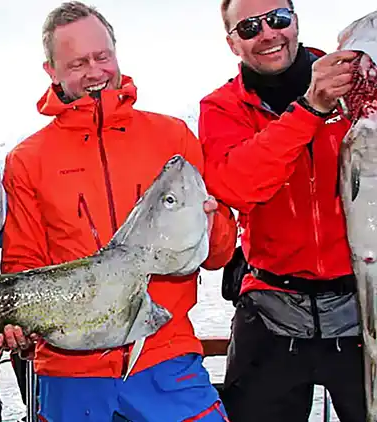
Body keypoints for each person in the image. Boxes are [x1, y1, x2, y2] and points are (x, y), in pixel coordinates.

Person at [0, 2, 238, 421]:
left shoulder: (172, 136)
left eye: (102, 56)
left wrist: (213, 221)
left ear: (116, 52)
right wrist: (16, 324)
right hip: (70, 372)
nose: (95, 71)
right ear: (52, 70)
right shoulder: (27, 158)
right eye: (78, 63)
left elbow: (218, 255)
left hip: (166, 357)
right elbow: (22, 265)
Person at [198, 1, 364, 421]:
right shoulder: (221, 108)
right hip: (271, 313)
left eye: (278, 19)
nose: (268, 34)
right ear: (233, 43)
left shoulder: (355, 83)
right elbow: (237, 187)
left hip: (361, 307)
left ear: (295, 21)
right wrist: (310, 110)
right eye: (250, 27)